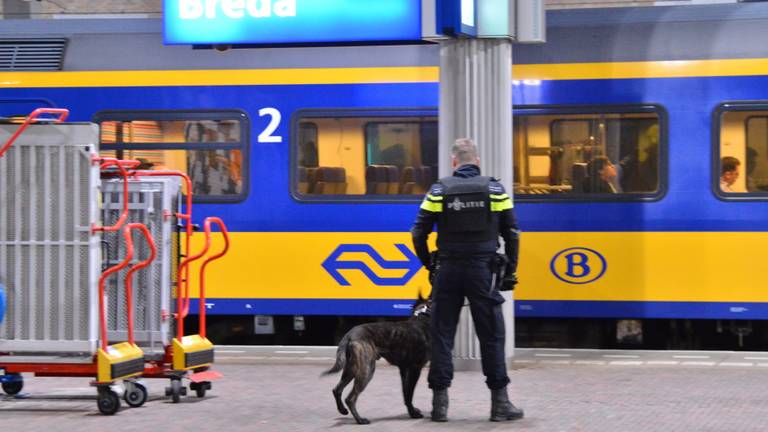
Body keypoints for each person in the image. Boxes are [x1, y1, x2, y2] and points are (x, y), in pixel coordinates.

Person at [410, 138, 523, 423]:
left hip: (447, 269)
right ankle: (500, 404)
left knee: (442, 335)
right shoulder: (494, 189)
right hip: (483, 272)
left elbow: (417, 233)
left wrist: (429, 264)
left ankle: (439, 406)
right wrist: (510, 272)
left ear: (454, 162)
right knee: (492, 336)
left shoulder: (439, 190)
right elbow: (512, 233)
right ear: (477, 161)